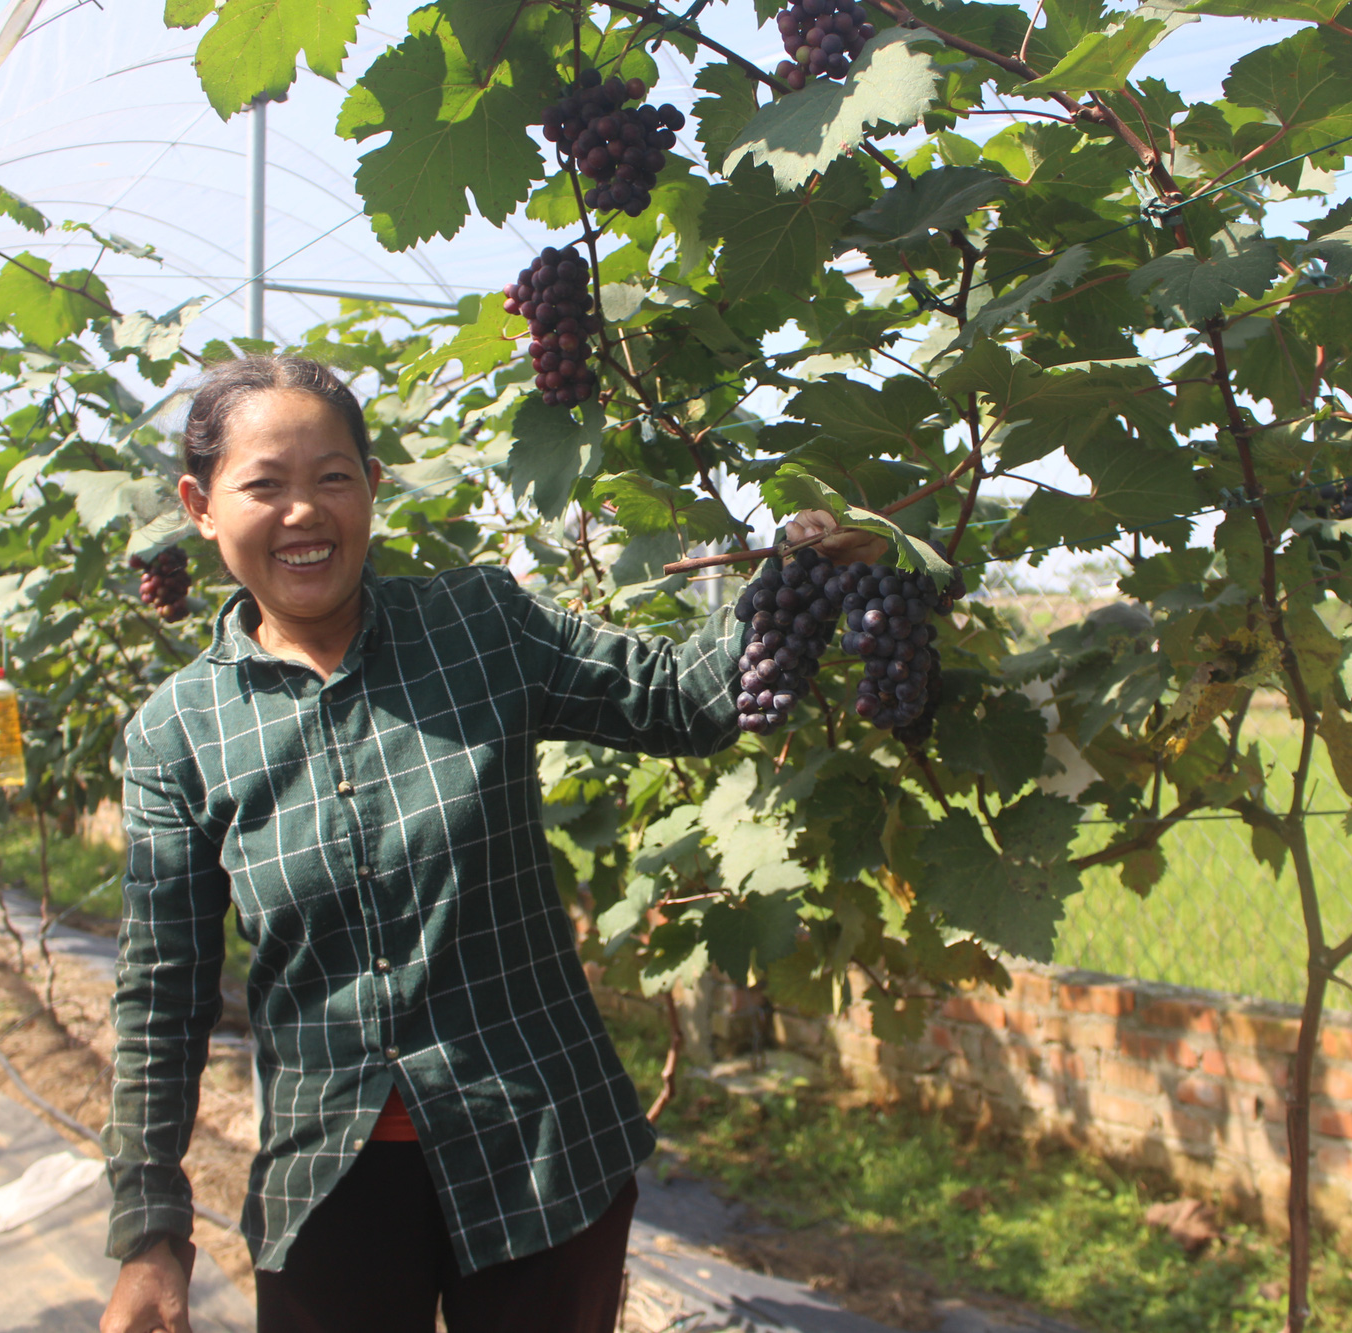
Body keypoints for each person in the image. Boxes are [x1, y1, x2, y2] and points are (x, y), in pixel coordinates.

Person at [98, 354, 880, 1333]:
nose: (304, 512)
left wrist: (792, 576)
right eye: (264, 484)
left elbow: (683, 698)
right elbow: (161, 991)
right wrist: (150, 1231)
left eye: (332, 478)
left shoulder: (477, 626)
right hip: (327, 1176)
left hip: (539, 1150)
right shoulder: (178, 734)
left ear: (372, 489)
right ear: (200, 505)